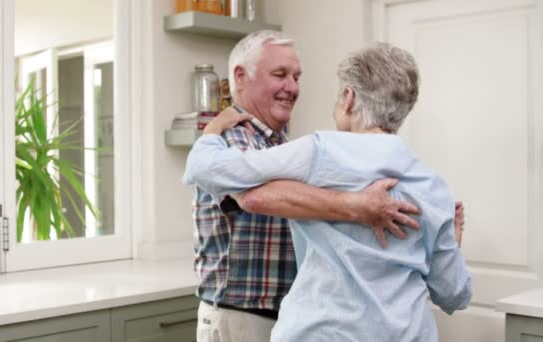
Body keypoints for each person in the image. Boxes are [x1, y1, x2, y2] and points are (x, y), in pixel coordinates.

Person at [181, 30, 461, 342]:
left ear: (349, 97)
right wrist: (356, 206)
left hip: (296, 320)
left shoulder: (308, 151)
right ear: (240, 76)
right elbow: (254, 199)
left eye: (296, 77)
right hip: (242, 318)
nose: (292, 87)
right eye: (280, 74)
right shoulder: (233, 139)